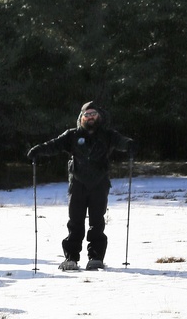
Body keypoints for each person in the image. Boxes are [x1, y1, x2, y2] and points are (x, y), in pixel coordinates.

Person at [28, 102, 134, 271]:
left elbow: (121, 141)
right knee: (75, 222)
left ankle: (96, 258)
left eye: (93, 114)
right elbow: (54, 145)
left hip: (100, 184)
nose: (90, 117)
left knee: (97, 222)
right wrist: (37, 151)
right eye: (87, 114)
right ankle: (71, 258)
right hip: (77, 184)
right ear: (81, 117)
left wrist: (129, 145)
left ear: (99, 116)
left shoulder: (108, 135)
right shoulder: (72, 135)